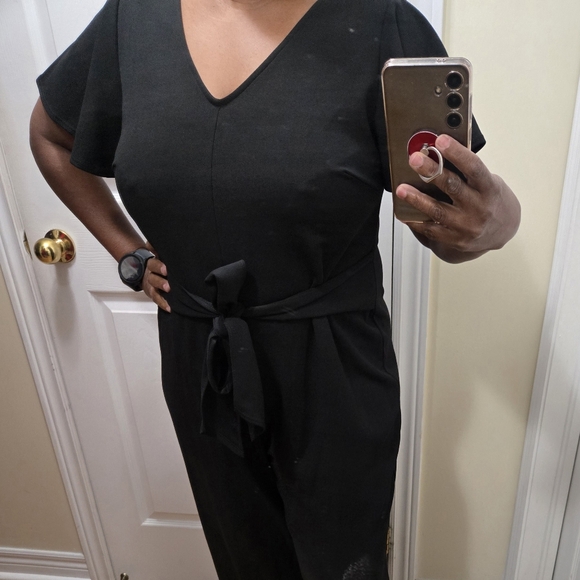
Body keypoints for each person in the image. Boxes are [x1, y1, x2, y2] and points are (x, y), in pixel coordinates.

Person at [29, 0, 520, 578]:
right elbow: (50, 135)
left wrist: (497, 224)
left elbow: (449, 225)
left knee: (345, 564)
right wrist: (127, 251)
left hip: (332, 365)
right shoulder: (132, 20)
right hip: (199, 357)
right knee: (243, 558)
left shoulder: (380, 21)